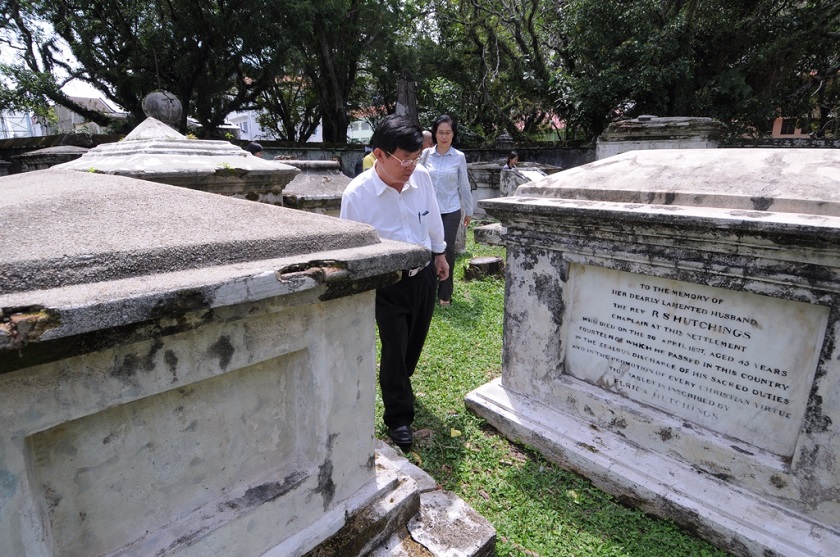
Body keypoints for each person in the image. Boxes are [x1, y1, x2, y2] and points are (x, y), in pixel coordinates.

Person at [340, 115, 449, 450]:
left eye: (416, 159)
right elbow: (349, 246)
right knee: (394, 348)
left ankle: (401, 379)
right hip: (386, 285)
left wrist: (440, 254)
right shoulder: (357, 195)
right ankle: (399, 418)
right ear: (380, 154)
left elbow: (431, 218)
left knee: (412, 344)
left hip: (423, 275)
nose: (411, 166)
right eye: (404, 159)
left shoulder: (423, 178)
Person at [420, 114, 473, 307]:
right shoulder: (425, 155)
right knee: (427, 250)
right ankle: (427, 290)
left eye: (448, 132)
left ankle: (445, 295)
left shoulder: (458, 157)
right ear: (434, 134)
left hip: (451, 209)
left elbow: (464, 186)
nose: (444, 136)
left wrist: (469, 210)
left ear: (453, 134)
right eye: (440, 132)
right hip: (427, 210)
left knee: (446, 249)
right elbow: (417, 181)